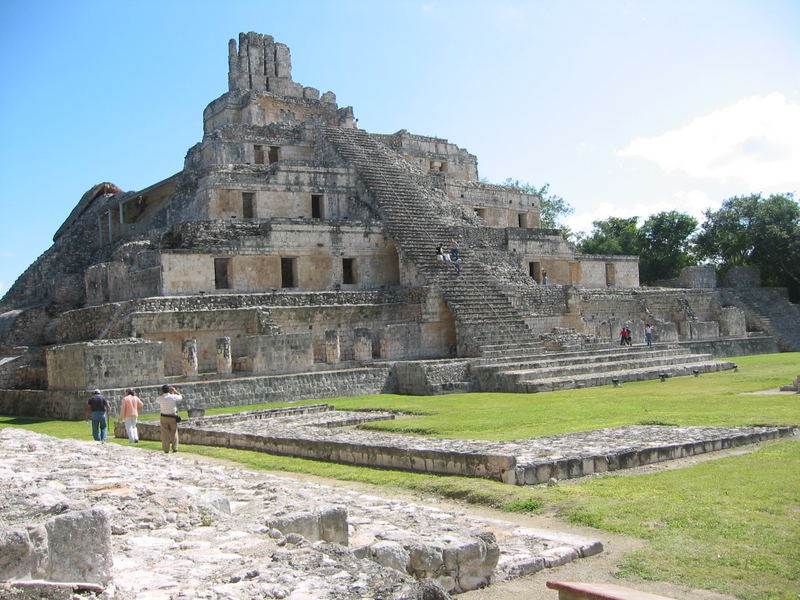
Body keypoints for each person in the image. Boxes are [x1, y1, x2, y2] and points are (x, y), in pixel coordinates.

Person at [157, 384, 182, 453]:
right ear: (169, 390)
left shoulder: (160, 398)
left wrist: (161, 393)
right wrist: (175, 391)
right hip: (172, 416)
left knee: (165, 433)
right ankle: (175, 447)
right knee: (173, 432)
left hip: (164, 416)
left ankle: (166, 449)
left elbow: (157, 399)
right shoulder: (173, 397)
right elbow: (180, 397)